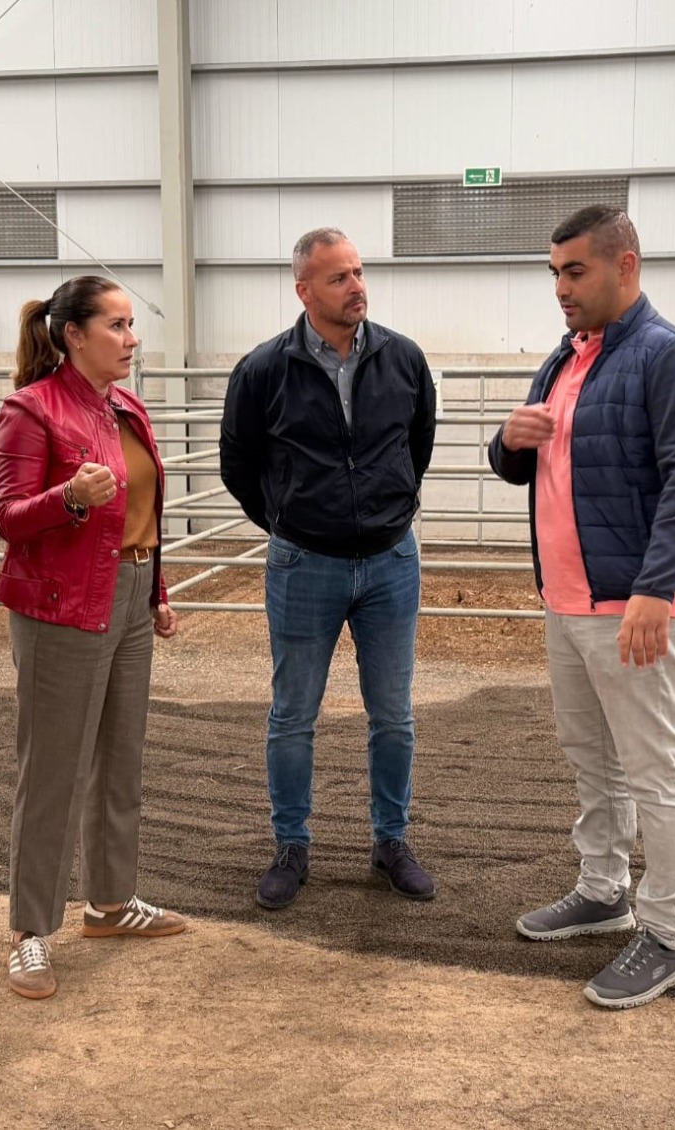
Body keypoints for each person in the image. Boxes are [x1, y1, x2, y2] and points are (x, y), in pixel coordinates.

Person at [488, 204, 675, 1010]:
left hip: (638, 604)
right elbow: (524, 467)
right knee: (593, 758)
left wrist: (655, 591)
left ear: (626, 265)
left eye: (575, 271)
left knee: (655, 769)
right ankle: (603, 888)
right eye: (555, 273)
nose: (561, 287)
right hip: (569, 602)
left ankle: (667, 934)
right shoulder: (566, 357)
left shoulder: (669, 358)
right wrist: (508, 440)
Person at [219, 227, 438, 910]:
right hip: (303, 563)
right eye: (339, 277)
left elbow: (418, 443)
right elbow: (238, 466)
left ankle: (391, 841)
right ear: (304, 290)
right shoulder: (263, 370)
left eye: (358, 272)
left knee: (394, 715)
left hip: (391, 561)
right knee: (293, 714)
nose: (356, 287)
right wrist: (291, 522)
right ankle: (291, 845)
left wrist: (385, 511)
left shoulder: (403, 358)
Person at [0, 275, 187, 1002]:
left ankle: (109, 902)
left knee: (120, 761)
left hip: (128, 596)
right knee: (53, 772)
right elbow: (9, 516)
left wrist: (155, 592)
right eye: (116, 325)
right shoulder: (31, 409)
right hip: (60, 607)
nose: (131, 339)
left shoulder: (127, 408)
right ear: (73, 334)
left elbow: (144, 513)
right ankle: (30, 929)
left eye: (132, 325)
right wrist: (69, 497)